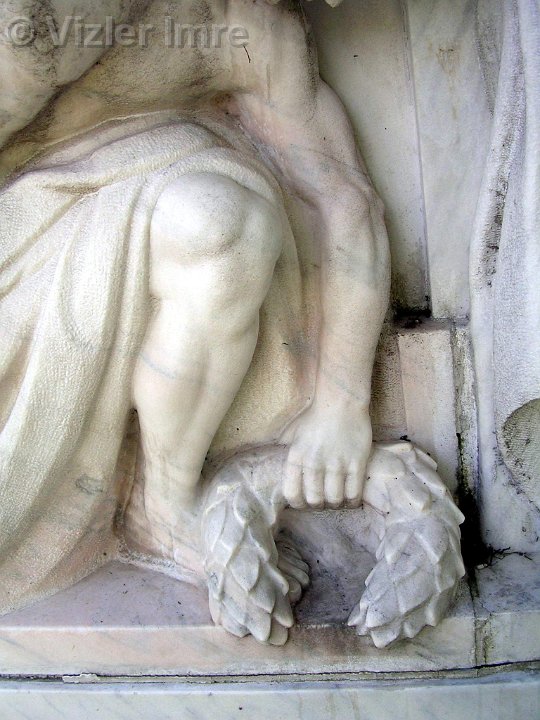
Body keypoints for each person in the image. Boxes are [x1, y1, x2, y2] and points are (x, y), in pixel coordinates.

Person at [0, 0, 389, 611]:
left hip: (158, 206)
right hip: (16, 234)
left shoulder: (248, 26)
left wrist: (342, 404)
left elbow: (343, 198)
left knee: (221, 222)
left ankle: (166, 501)